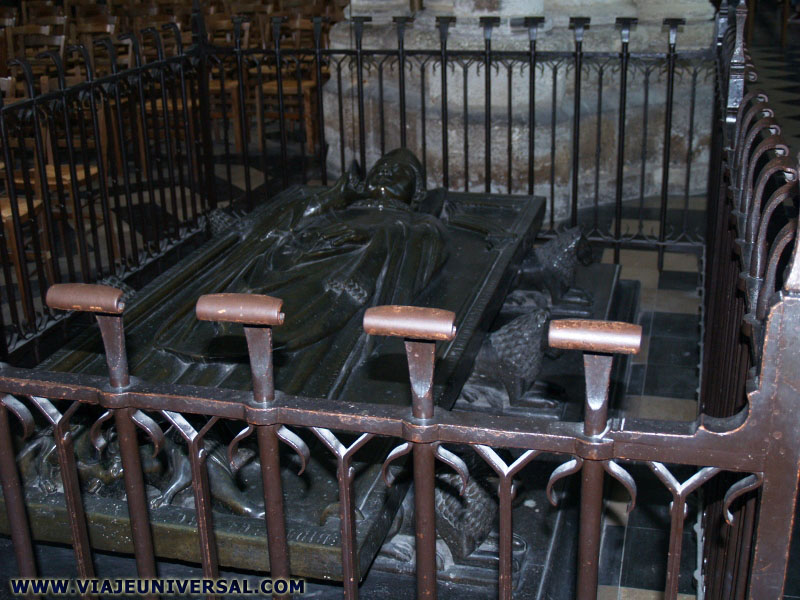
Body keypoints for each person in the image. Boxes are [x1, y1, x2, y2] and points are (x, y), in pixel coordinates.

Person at [152, 149, 451, 397]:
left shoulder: (416, 224)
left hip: (330, 287)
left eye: (398, 172)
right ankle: (185, 392)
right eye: (380, 169)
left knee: (280, 334)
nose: (385, 173)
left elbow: (418, 254)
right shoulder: (333, 208)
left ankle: (244, 404)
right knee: (236, 318)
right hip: (280, 270)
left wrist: (365, 267)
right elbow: (267, 234)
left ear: (415, 193)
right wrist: (329, 200)